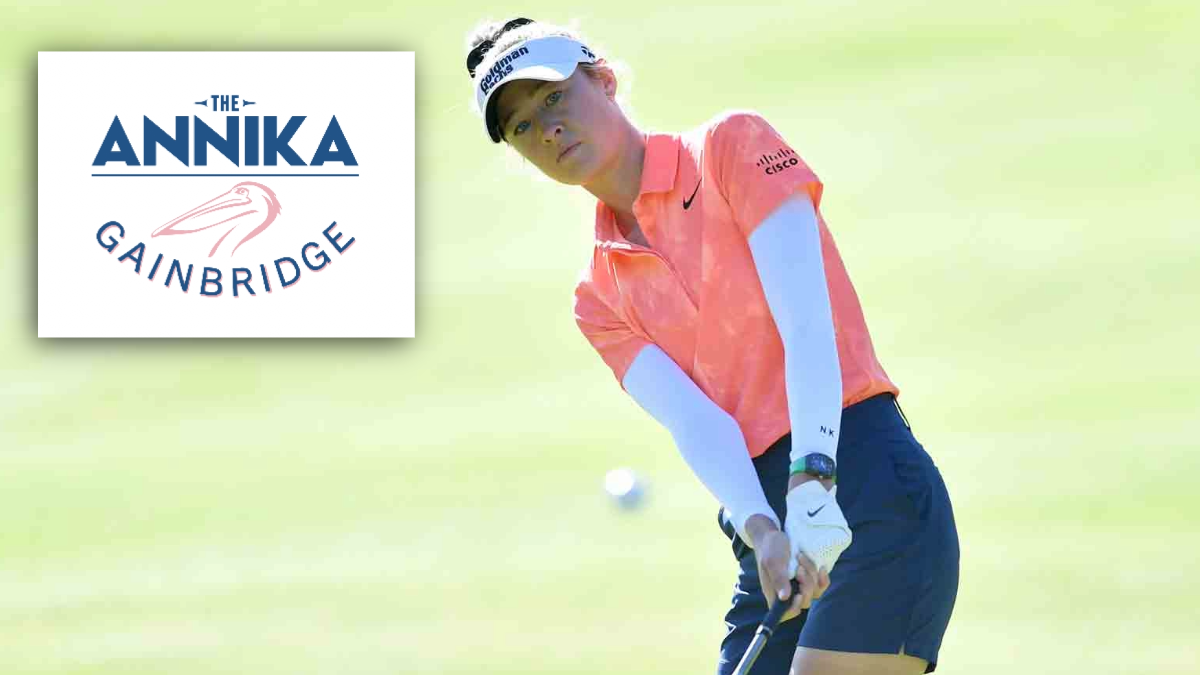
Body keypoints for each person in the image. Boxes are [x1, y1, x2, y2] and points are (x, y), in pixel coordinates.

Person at [464, 17, 960, 675]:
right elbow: (697, 421)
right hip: (772, 533)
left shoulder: (731, 148)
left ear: (603, 78)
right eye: (522, 125)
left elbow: (808, 327)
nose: (546, 128)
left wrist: (814, 485)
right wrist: (762, 527)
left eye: (554, 96)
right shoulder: (598, 296)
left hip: (865, 484)